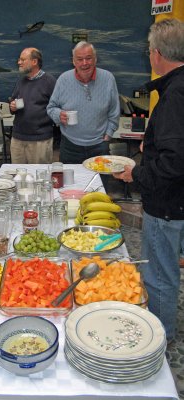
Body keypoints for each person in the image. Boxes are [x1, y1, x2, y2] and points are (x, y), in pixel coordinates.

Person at [113, 18, 184, 343]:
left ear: (156, 54)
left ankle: (159, 338)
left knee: (159, 276)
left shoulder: (173, 96)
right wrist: (151, 143)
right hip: (177, 201)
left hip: (168, 205)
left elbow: (174, 161)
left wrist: (135, 173)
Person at [47, 41, 120, 165]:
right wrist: (59, 115)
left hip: (99, 146)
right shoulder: (64, 79)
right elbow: (51, 107)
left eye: (88, 58)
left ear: (95, 59)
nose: (84, 63)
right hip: (70, 146)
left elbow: (114, 112)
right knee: (70, 184)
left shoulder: (108, 79)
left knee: (99, 183)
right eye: (80, 59)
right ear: (74, 62)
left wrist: (108, 134)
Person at [9, 47, 56, 163]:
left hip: (40, 140)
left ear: (34, 62)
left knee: (40, 178)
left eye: (23, 60)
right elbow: (13, 101)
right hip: (17, 139)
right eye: (19, 59)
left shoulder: (49, 81)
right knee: (18, 177)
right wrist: (12, 106)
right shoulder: (21, 81)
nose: (19, 62)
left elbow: (57, 108)